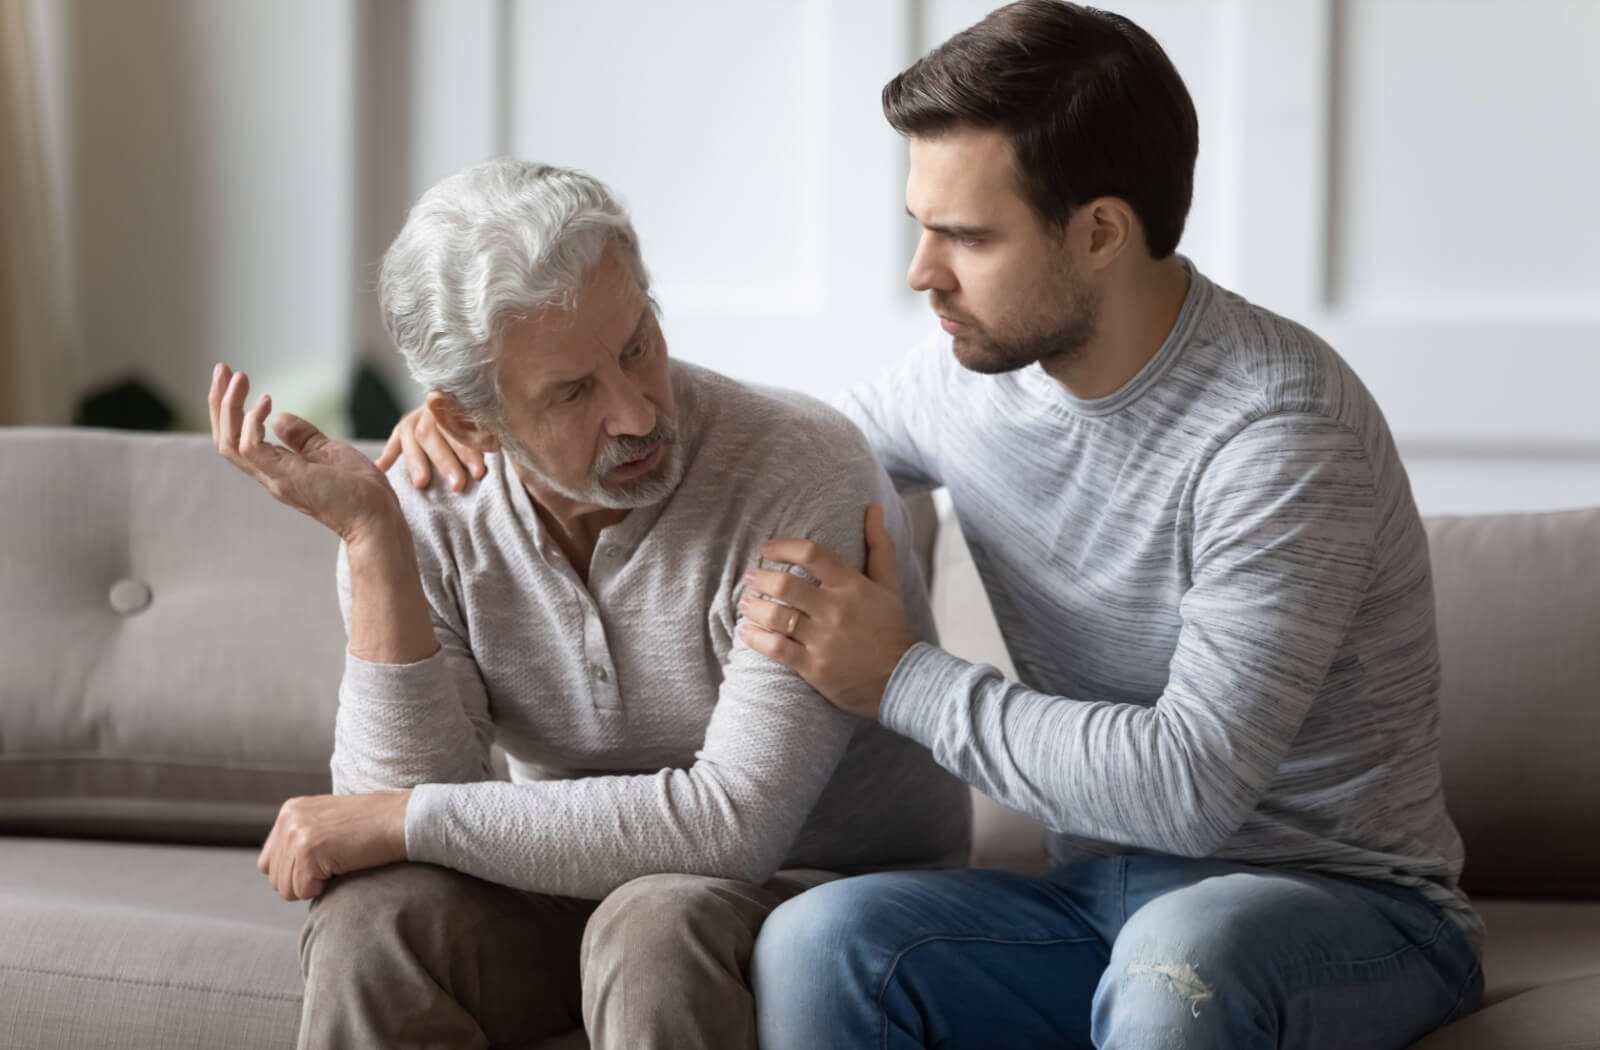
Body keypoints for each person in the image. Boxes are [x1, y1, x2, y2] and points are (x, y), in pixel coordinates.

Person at [389, 3, 1485, 1047]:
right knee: (819, 941)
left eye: (963, 236)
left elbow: (1187, 789)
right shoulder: (962, 386)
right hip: (1092, 900)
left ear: (1099, 231)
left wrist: (899, 677)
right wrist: (479, 417)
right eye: (921, 228)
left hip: (1344, 911)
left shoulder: (1277, 433)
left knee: (1177, 959)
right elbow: (765, 457)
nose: (922, 273)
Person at [207, 157, 968, 1050]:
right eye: (573, 392)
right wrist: (377, 540)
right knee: (375, 918)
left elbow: (735, 827)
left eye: (639, 345)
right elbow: (392, 823)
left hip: (826, 887)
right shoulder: (422, 504)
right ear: (466, 421)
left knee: (650, 926)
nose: (640, 413)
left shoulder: (796, 471)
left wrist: (404, 818)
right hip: (578, 887)